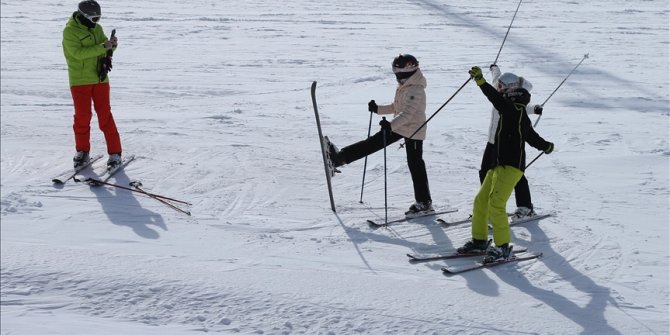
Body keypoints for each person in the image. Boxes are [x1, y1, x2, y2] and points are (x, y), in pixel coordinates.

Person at [457, 66, 554, 262]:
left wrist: (481, 82)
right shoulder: (520, 116)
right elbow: (533, 138)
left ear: (511, 98)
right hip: (498, 165)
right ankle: (479, 240)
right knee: (481, 201)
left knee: (496, 204)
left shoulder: (511, 110)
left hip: (511, 168)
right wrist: (547, 146)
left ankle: (502, 247)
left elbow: (495, 98)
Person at [325, 54, 433, 217]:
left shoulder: (416, 89)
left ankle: (424, 203)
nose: (396, 74)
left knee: (415, 164)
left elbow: (408, 114)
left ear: (408, 70)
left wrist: (390, 126)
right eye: (394, 70)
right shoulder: (405, 85)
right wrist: (378, 109)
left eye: (397, 70)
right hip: (401, 126)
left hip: (414, 130)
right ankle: (339, 158)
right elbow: (396, 107)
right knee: (373, 143)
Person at [62, 0, 122, 169]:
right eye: (94, 19)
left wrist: (112, 46)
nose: (97, 22)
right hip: (80, 81)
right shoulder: (70, 32)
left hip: (100, 79)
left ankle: (115, 153)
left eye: (98, 18)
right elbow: (78, 54)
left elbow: (104, 49)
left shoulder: (97, 29)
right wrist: (103, 46)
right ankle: (82, 151)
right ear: (84, 16)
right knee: (82, 117)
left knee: (105, 116)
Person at [480, 64, 544, 220]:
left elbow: (523, 107)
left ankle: (526, 207)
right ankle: (486, 204)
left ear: (510, 87)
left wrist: (534, 108)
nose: (498, 87)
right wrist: (494, 68)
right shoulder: (498, 88)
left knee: (514, 175)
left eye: (501, 86)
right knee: (485, 172)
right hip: (493, 141)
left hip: (508, 143)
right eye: (498, 85)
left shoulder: (514, 100)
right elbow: (496, 76)